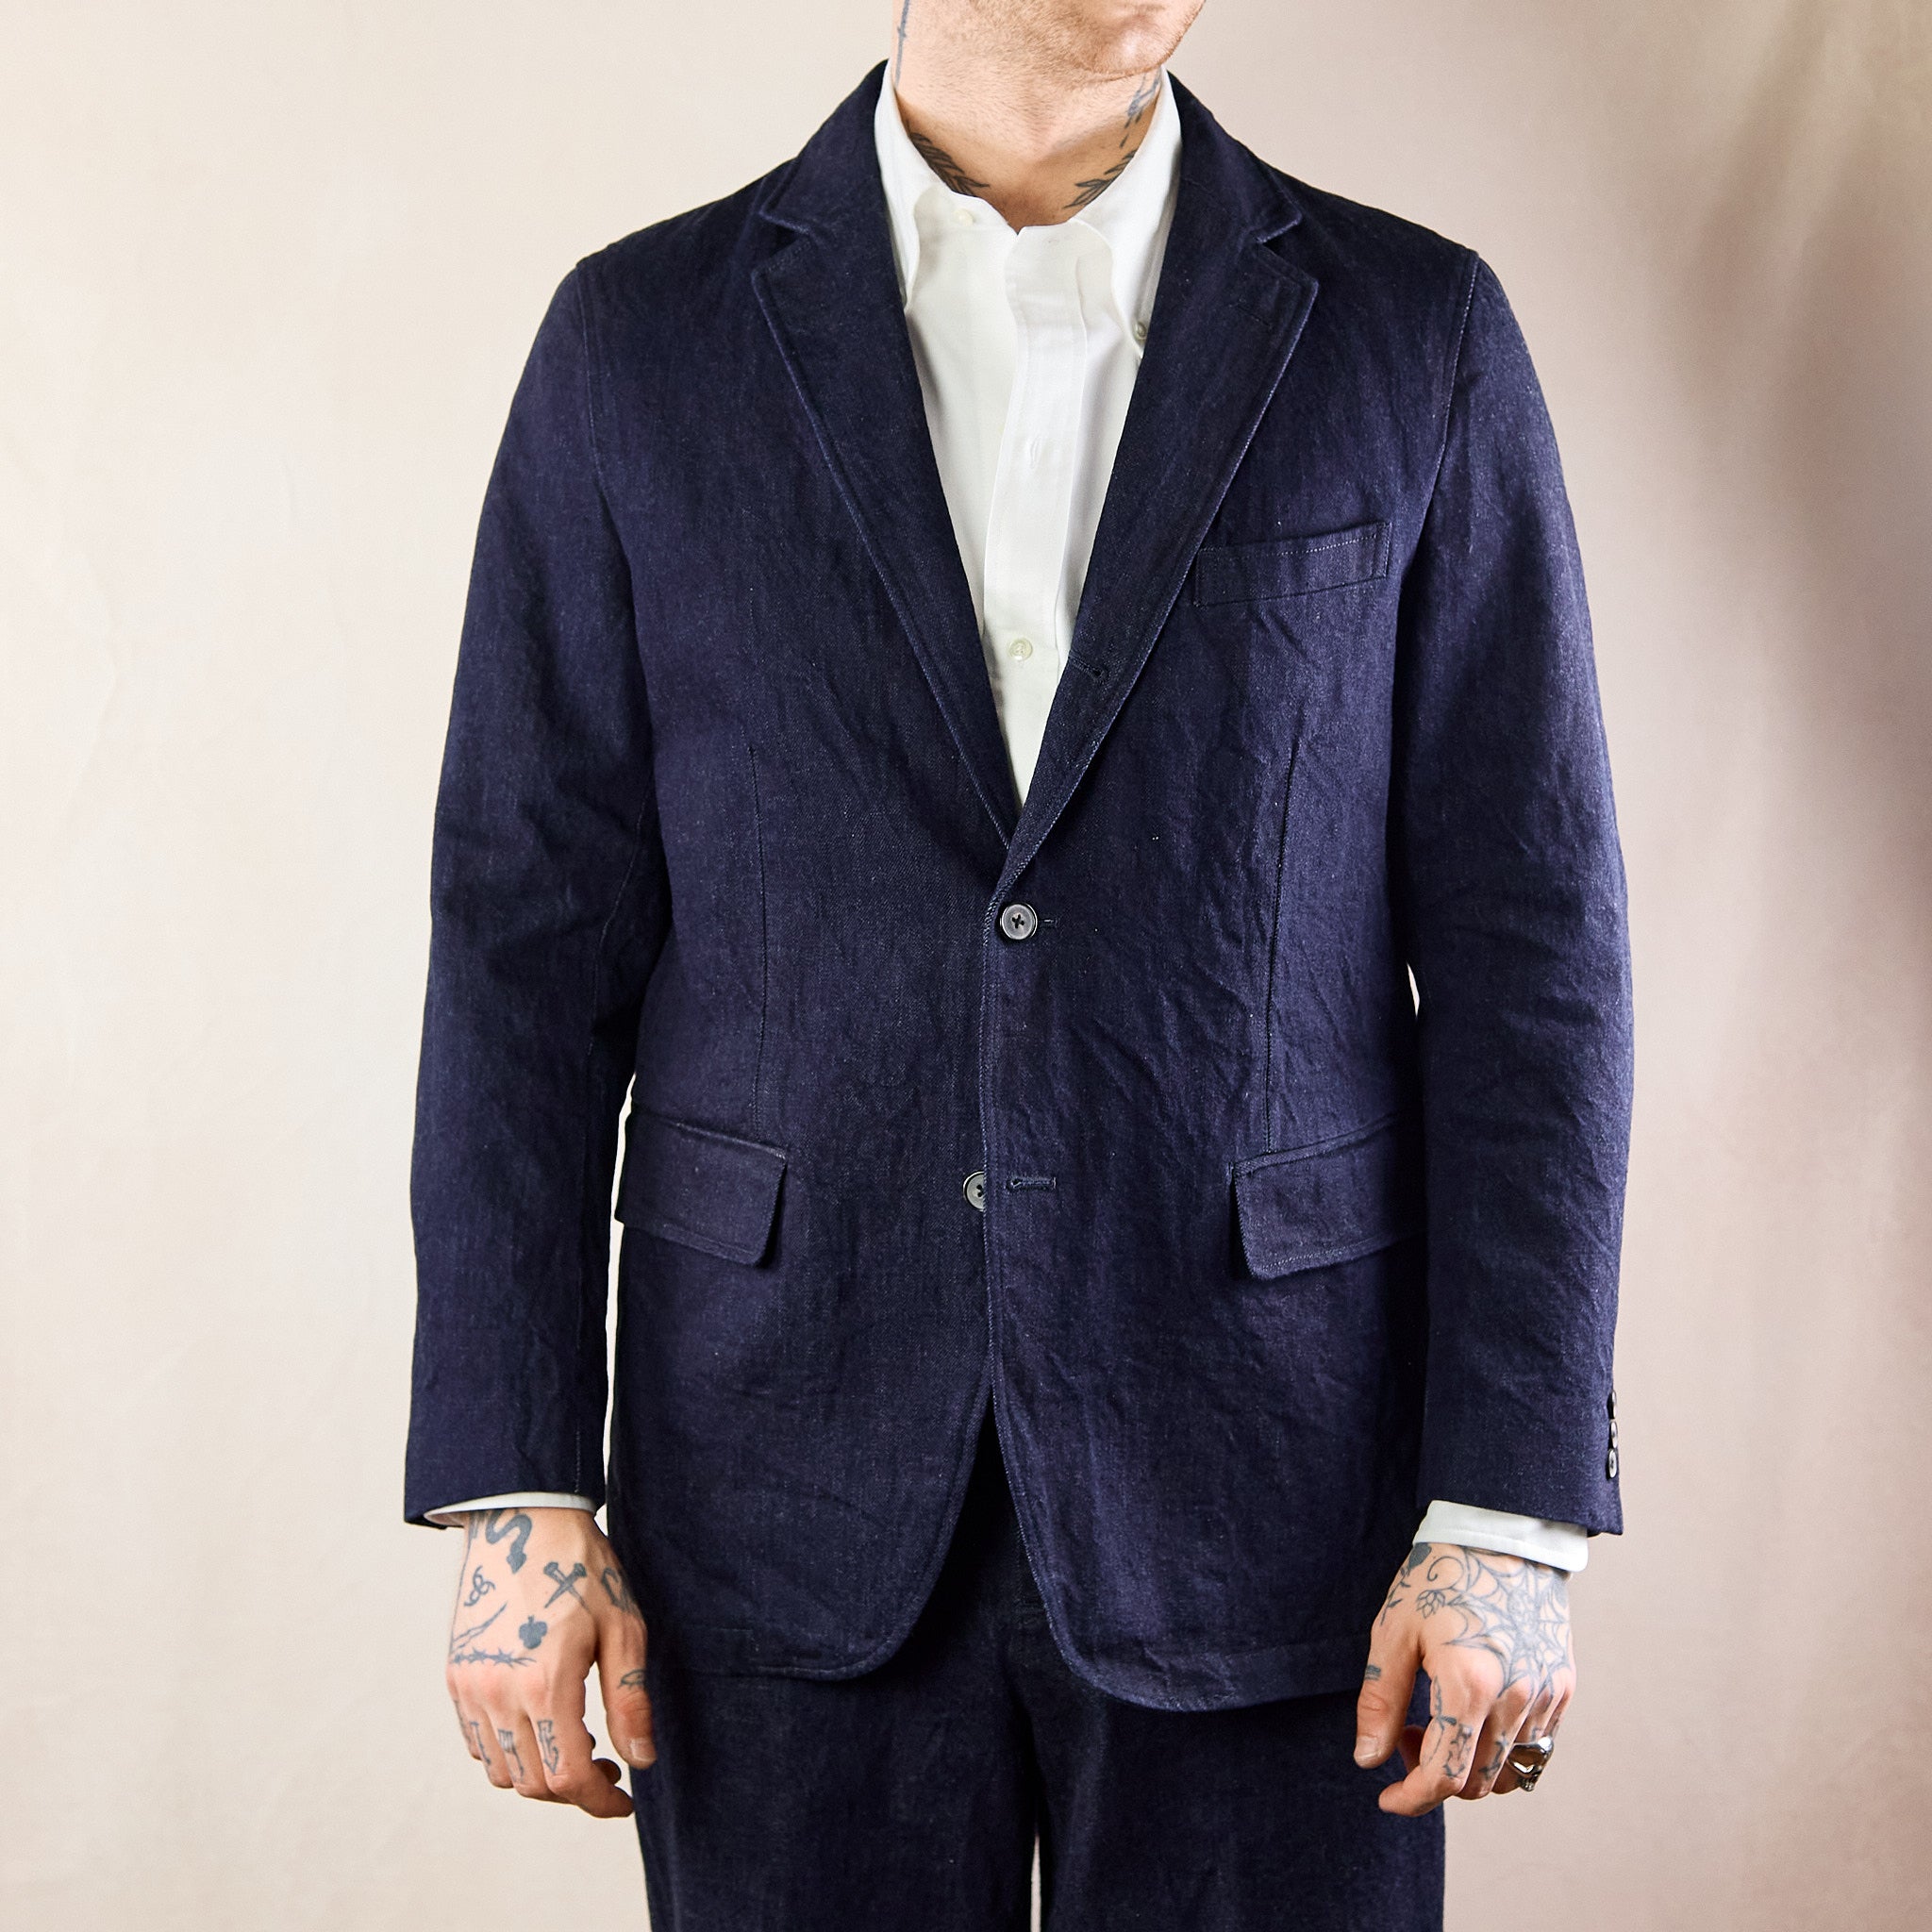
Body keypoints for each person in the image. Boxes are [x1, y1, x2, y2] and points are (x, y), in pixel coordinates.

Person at [405, 1, 1633, 1924]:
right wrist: (517, 1480)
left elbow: (1530, 952)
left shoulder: (1412, 334)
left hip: (1272, 1484)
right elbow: (523, 945)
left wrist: (1510, 1503)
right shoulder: (639, 343)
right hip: (776, 1482)